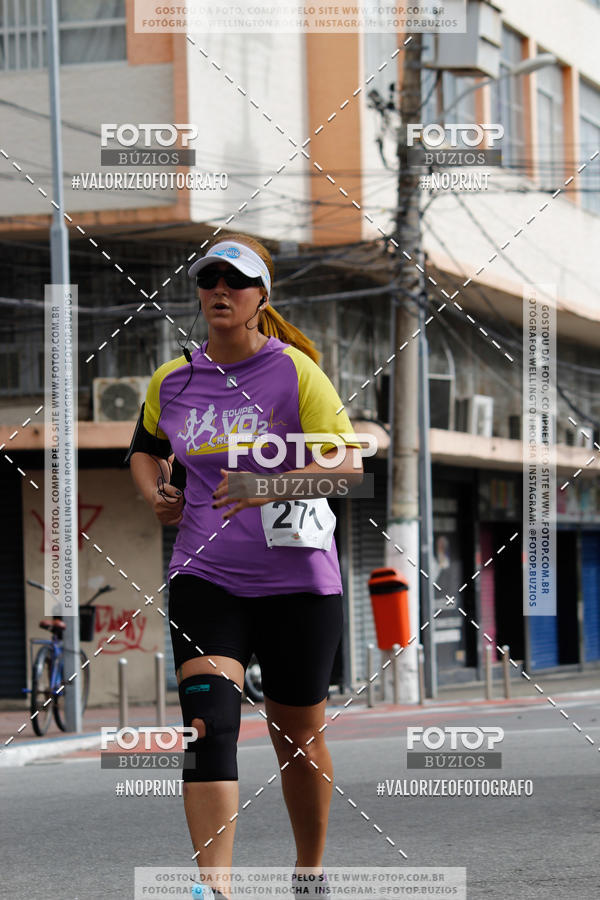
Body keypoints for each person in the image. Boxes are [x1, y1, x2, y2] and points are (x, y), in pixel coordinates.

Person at [127, 233, 363, 899]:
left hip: (298, 584)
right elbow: (145, 450)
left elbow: (348, 467)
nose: (220, 292)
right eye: (209, 281)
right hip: (207, 578)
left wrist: (268, 485)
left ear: (262, 298)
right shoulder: (173, 381)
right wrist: (156, 494)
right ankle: (215, 888)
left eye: (235, 282)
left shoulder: (294, 372)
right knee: (209, 728)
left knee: (298, 739)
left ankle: (309, 869)